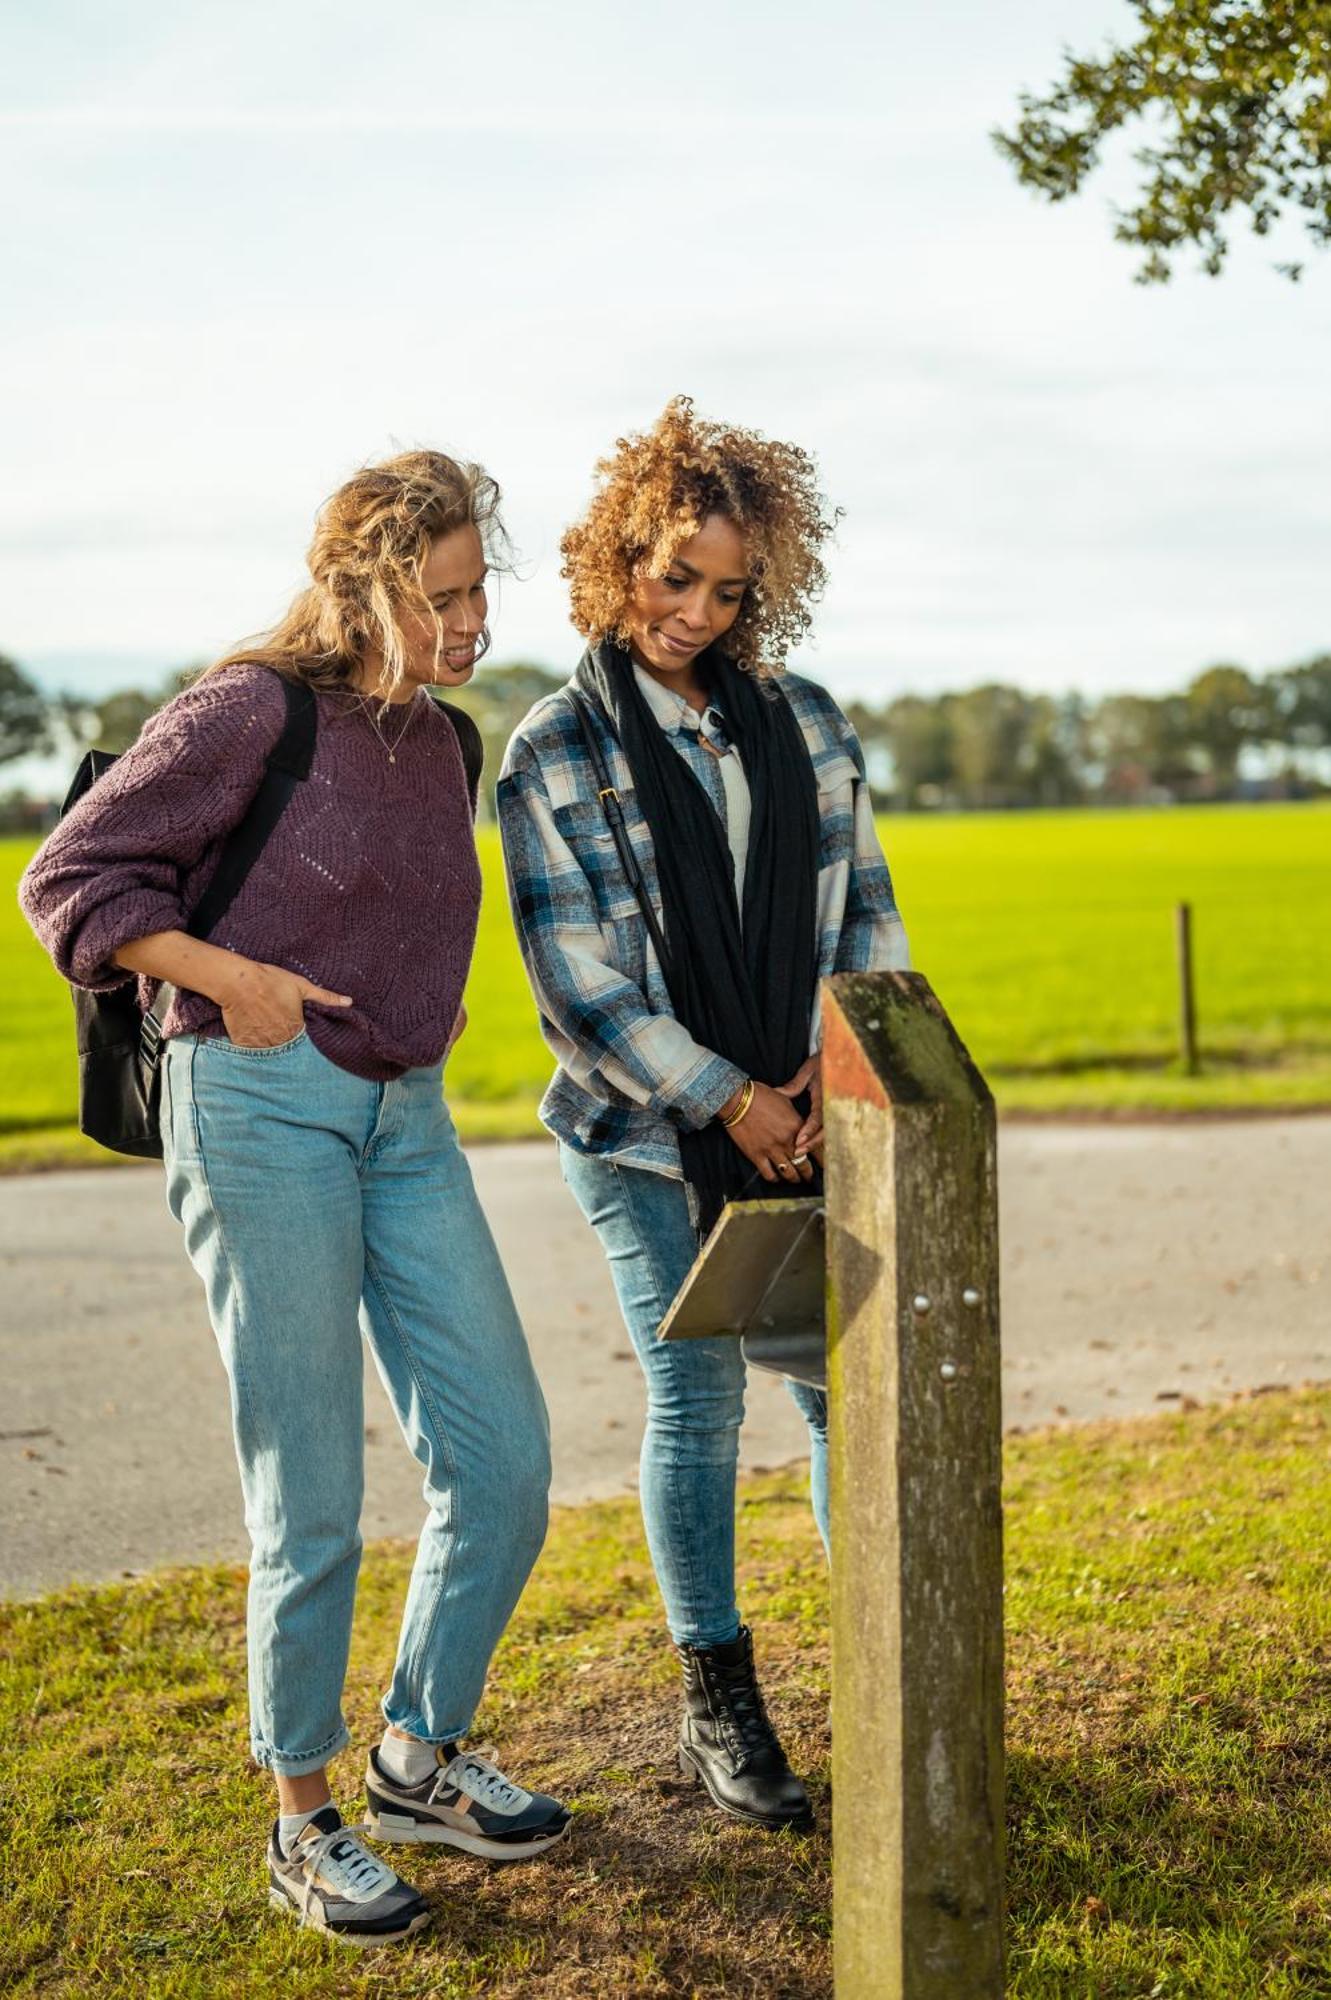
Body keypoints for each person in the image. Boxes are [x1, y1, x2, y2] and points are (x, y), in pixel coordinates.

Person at [20, 451, 568, 1947]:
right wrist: (232, 980)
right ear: (366, 585)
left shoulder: (446, 741)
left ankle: (417, 1753)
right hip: (255, 1102)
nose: (470, 624)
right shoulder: (250, 710)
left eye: (478, 592)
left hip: (406, 1114)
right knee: (311, 1488)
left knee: (507, 1455)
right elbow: (70, 879)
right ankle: (303, 1818)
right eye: (441, 597)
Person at [497, 398, 908, 1833]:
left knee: (836, 1385)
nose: (696, 610)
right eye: (675, 574)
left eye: (730, 589)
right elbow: (580, 987)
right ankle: (717, 1700)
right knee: (701, 1395)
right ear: (619, 561)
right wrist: (728, 1097)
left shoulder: (804, 720)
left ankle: (888, 1660)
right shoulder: (553, 748)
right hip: (639, 1136)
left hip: (810, 1113)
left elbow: (862, 909)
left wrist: (820, 1078)